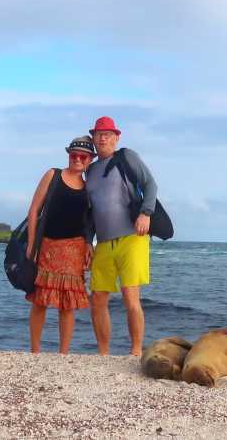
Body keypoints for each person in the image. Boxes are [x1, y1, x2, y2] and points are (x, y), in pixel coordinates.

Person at [85, 116, 157, 356]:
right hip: (104, 242)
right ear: (93, 138)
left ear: (116, 138)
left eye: (107, 134)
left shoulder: (127, 157)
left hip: (132, 238)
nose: (103, 137)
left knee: (130, 296)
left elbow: (150, 185)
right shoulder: (91, 170)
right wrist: (88, 241)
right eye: (98, 134)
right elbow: (91, 210)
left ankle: (136, 350)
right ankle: (103, 353)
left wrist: (146, 213)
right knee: (97, 299)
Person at [25, 136, 96, 354]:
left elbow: (89, 221)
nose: (77, 159)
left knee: (68, 304)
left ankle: (63, 354)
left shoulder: (88, 187)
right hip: (47, 245)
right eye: (73, 155)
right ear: (68, 155)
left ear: (90, 159)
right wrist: (31, 245)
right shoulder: (53, 175)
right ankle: (35, 351)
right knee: (40, 300)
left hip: (74, 249)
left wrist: (88, 245)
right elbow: (34, 210)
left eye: (82, 156)